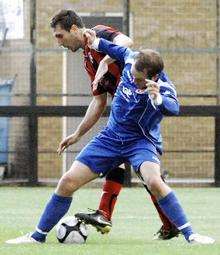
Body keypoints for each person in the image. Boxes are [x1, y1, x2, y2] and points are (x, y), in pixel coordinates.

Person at [6, 26, 214, 245]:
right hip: (111, 138)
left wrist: (158, 99)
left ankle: (192, 235)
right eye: (131, 76)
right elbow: (117, 48)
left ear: (153, 77)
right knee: (67, 181)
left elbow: (173, 108)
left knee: (154, 181)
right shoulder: (130, 60)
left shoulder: (163, 87)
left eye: (139, 80)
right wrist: (96, 43)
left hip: (140, 142)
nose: (133, 81)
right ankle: (37, 236)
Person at [52, 9, 179, 239]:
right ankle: (106, 213)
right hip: (122, 117)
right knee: (118, 162)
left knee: (148, 176)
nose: (58, 42)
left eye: (59, 36)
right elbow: (98, 102)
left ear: (73, 29)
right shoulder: (88, 62)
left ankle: (168, 223)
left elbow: (126, 43)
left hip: (142, 114)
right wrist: (77, 134)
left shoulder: (98, 33)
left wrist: (107, 60)